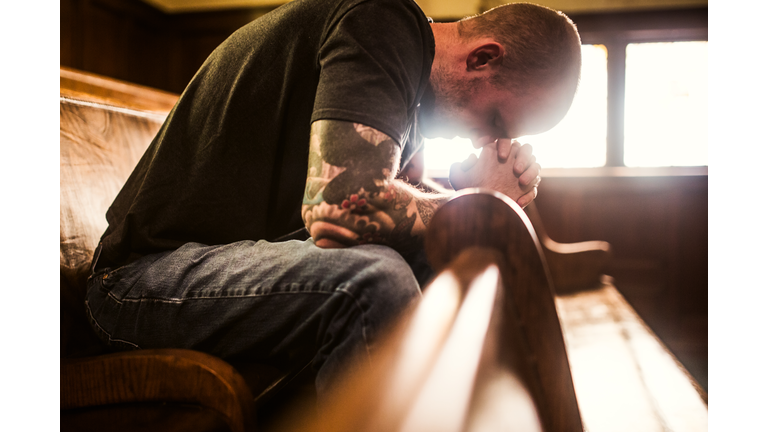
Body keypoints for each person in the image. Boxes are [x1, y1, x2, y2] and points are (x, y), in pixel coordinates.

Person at [85, 0, 582, 401]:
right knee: (373, 282)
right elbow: (341, 207)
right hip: (137, 281)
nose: (483, 142)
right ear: (481, 58)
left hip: (223, 266)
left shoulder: (408, 92)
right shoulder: (382, 23)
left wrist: (460, 193)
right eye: (495, 122)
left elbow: (388, 210)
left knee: (448, 270)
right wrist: (475, 204)